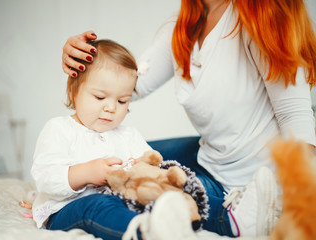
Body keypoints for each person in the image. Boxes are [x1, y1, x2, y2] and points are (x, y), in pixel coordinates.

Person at [61, 0, 316, 237]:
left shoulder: (260, 17)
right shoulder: (182, 28)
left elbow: (295, 114)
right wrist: (85, 61)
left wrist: (296, 198)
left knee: (138, 179)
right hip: (210, 156)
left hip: (252, 178)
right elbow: (125, 86)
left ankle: (233, 214)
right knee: (116, 159)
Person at [31, 39, 199, 240]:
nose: (111, 108)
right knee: (97, 205)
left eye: (122, 101)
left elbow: (149, 165)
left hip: (119, 203)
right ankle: (144, 231)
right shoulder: (59, 129)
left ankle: (206, 217)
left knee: (166, 189)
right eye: (100, 98)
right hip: (65, 210)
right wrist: (87, 173)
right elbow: (46, 178)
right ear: (73, 91)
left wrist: (141, 167)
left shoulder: (128, 135)